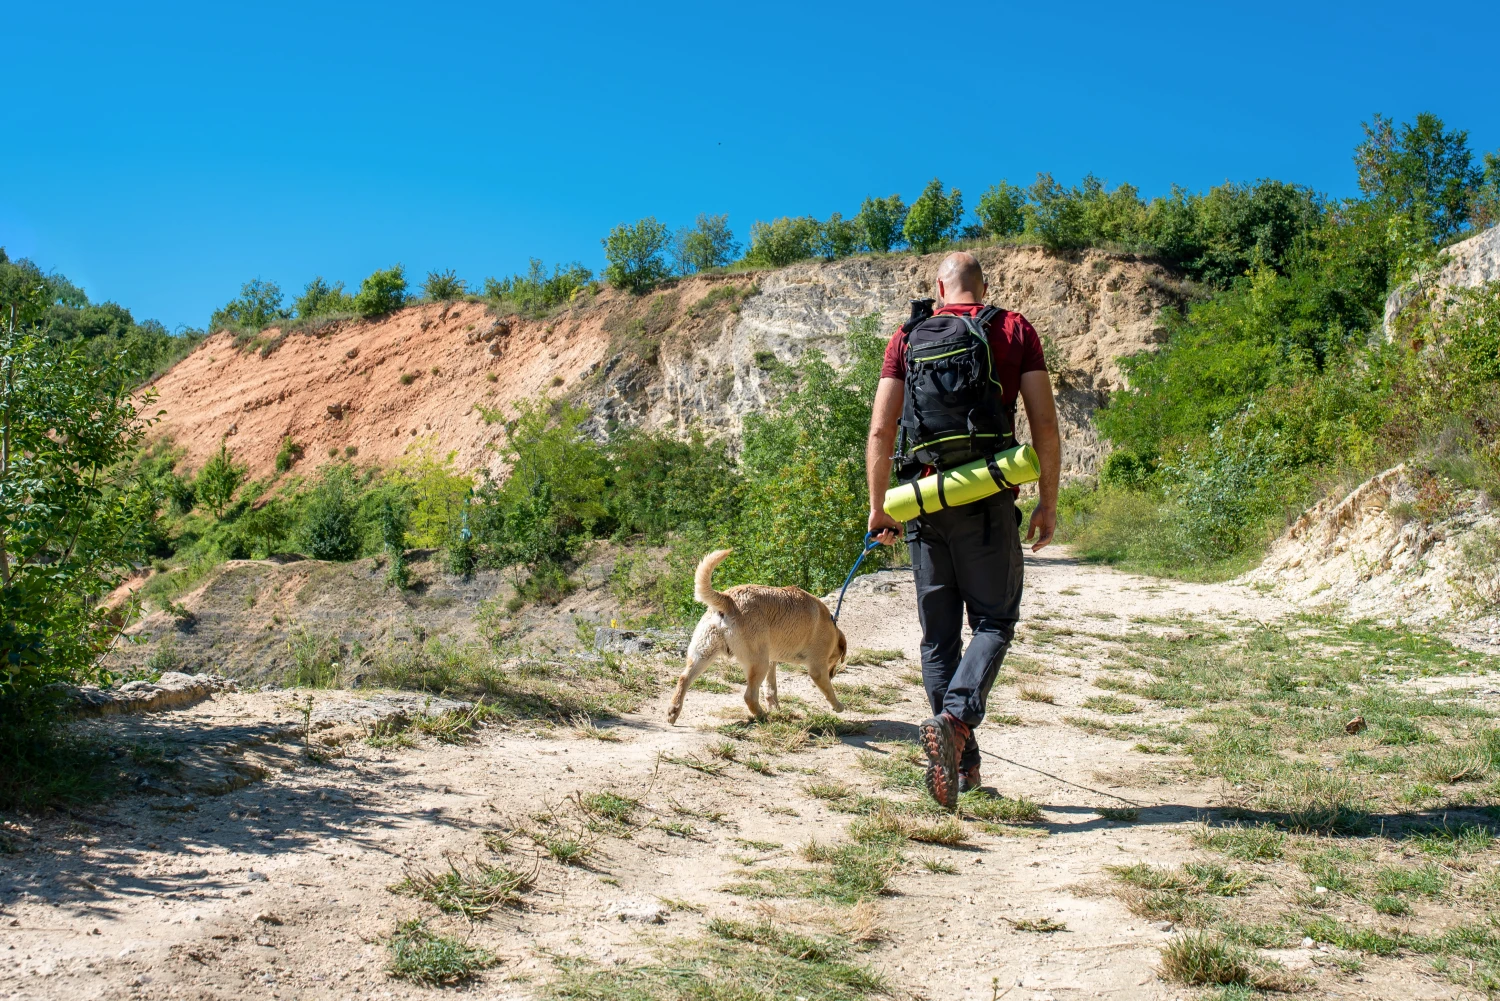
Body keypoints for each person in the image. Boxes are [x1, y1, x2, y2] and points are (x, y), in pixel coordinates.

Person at [865, 251, 1061, 809]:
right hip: (989, 496)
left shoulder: (908, 337)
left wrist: (880, 509)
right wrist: (1047, 501)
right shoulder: (1013, 327)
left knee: (938, 637)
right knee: (996, 620)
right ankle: (955, 723)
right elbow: (1043, 422)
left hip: (923, 502)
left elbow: (881, 431)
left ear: (938, 287)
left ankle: (963, 765)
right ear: (983, 285)